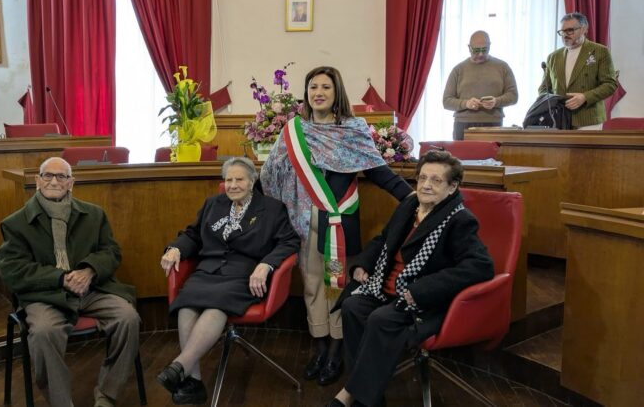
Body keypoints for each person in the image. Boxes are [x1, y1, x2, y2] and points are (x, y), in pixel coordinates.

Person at [260, 66, 413, 387]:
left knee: (336, 286)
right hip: (302, 223)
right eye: (313, 86)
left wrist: (413, 199)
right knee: (313, 286)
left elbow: (379, 173)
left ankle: (335, 351)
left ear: (336, 93)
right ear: (306, 93)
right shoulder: (293, 131)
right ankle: (318, 346)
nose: (318, 92)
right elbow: (272, 173)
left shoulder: (353, 130)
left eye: (325, 87)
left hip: (338, 226)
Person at [324, 150, 495, 407]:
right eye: (423, 177)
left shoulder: (460, 220)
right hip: (385, 288)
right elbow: (384, 239)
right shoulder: (409, 205)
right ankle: (370, 394)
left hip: (422, 301)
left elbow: (480, 267)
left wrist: (422, 289)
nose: (426, 185)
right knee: (352, 306)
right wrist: (362, 265)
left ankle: (351, 395)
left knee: (381, 319)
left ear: (452, 187)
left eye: (436, 180)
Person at [0, 157, 140, 407]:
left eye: (61, 176)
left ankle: (107, 396)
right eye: (48, 175)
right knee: (43, 332)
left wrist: (89, 270)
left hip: (92, 289)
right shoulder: (16, 223)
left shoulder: (94, 214)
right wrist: (60, 278)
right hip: (46, 295)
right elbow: (13, 269)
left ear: (71, 183)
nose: (54, 181)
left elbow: (111, 251)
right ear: (37, 181)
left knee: (128, 318)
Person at [158, 157, 300, 405]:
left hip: (244, 274)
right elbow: (192, 234)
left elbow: (290, 242)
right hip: (208, 270)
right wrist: (176, 250)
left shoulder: (272, 208)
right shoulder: (213, 204)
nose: (233, 185)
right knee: (187, 304)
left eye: (239, 179)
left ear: (252, 181)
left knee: (216, 305)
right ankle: (193, 380)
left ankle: (179, 365)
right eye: (229, 180)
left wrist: (266, 264)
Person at [538, 12, 618, 128]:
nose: (565, 34)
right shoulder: (553, 57)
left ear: (584, 29)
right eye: (562, 31)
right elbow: (544, 88)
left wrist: (585, 97)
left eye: (570, 30)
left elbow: (610, 84)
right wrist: (552, 103)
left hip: (588, 119)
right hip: (559, 119)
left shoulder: (600, 51)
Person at [443, 30, 518, 140]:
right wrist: (466, 104)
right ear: (469, 48)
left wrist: (496, 101)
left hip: (493, 124)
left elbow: (513, 96)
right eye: (476, 50)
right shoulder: (458, 69)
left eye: (485, 50)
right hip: (463, 125)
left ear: (490, 46)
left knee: (492, 158)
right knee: (463, 157)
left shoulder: (502, 67)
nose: (481, 54)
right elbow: (446, 101)